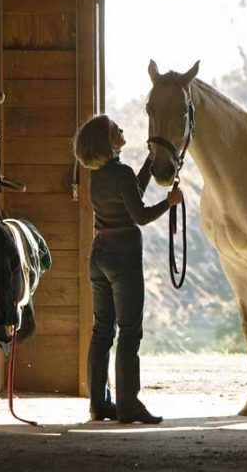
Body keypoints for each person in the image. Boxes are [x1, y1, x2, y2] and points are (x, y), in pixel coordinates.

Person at [73, 114, 182, 424]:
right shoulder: (120, 173)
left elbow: (132, 192)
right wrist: (170, 202)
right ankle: (128, 404)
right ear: (108, 141)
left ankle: (99, 404)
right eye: (115, 129)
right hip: (123, 257)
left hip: (99, 255)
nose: (121, 129)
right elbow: (141, 215)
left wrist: (150, 162)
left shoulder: (99, 175)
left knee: (102, 331)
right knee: (130, 332)